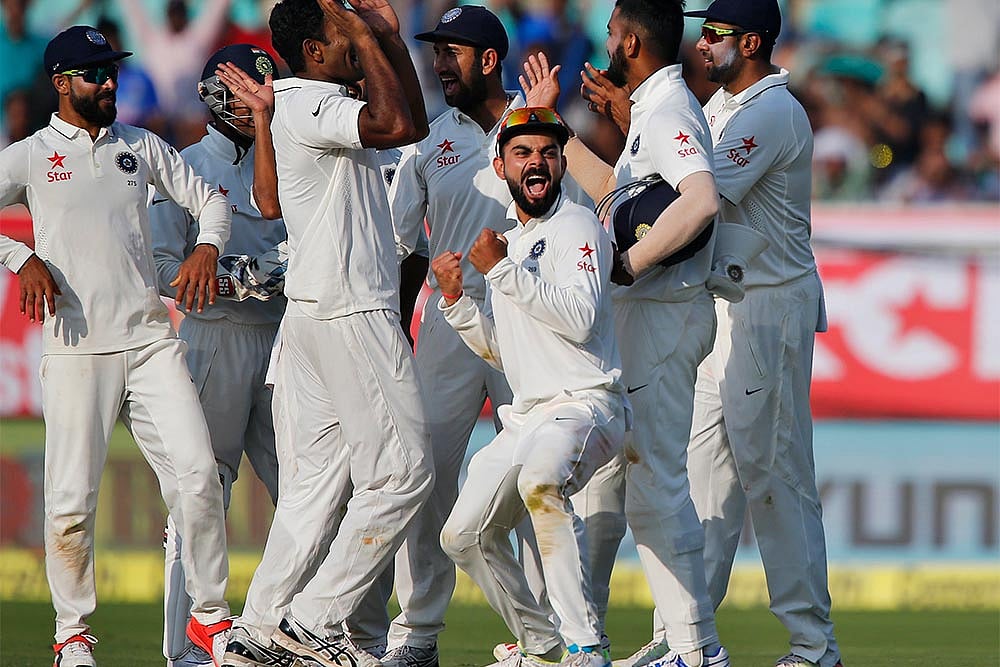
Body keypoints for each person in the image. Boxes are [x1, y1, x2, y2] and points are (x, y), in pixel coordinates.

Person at [0, 25, 234, 667]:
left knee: (199, 477)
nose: (109, 83)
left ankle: (210, 619)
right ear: (61, 82)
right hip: (78, 347)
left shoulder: (141, 145)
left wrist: (207, 246)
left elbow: (210, 201)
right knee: (71, 502)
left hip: (151, 340)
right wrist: (20, 258)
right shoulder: (31, 155)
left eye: (112, 72)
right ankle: (72, 634)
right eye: (95, 74)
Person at [220, 0, 433, 665]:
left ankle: (257, 632)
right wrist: (367, 33)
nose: (354, 49)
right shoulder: (313, 102)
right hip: (351, 309)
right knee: (404, 473)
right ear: (315, 51)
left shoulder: (296, 102)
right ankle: (314, 620)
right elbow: (398, 123)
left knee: (311, 492)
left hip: (312, 316)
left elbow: (414, 121)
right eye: (342, 39)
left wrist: (386, 40)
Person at [520, 1, 730, 666]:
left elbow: (702, 199)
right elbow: (619, 195)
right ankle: (601, 642)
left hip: (665, 311)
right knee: (622, 483)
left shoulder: (668, 113)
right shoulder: (653, 111)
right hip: (651, 313)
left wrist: (630, 264)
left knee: (656, 484)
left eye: (612, 33)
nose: (607, 42)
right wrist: (553, 127)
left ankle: (696, 650)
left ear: (632, 42)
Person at [682, 2, 843, 666]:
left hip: (768, 309)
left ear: (750, 43)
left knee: (777, 477)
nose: (702, 43)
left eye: (715, 34)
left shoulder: (771, 112)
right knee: (701, 483)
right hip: (723, 309)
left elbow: (696, 203)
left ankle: (813, 645)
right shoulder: (718, 107)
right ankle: (686, 639)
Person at [435, 107, 624, 667]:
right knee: (462, 536)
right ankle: (540, 644)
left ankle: (585, 646)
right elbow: (507, 352)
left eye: (547, 152)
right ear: (502, 168)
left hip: (587, 404)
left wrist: (500, 271)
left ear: (561, 164)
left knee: (542, 482)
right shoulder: (512, 243)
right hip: (530, 415)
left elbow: (581, 320)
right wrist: (456, 303)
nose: (536, 162)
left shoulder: (578, 226)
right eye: (522, 153)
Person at [150, 43, 286, 667]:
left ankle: (295, 634)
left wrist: (280, 273)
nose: (254, 102)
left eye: (262, 89)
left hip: (284, 340)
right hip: (216, 336)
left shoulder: (286, 157)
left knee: (306, 491)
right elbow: (161, 268)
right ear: (213, 95)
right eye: (241, 90)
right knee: (200, 495)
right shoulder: (187, 166)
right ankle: (186, 652)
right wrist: (234, 278)